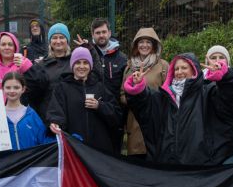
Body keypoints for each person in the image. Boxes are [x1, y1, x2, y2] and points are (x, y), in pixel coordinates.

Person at [123, 53, 233, 165]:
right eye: (176, 69)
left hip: (202, 166)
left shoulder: (207, 92)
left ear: (194, 70)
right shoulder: (163, 96)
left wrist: (226, 77)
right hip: (168, 166)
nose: (179, 72)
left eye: (184, 68)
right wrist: (137, 87)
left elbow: (230, 100)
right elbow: (143, 108)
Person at [48, 46, 121, 154]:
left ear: (90, 66)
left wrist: (99, 106)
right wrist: (55, 123)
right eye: (77, 62)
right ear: (72, 65)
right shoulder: (62, 88)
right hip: (74, 147)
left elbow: (116, 115)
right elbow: (56, 112)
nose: (81, 66)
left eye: (85, 63)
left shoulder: (100, 87)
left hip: (100, 149)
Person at [119, 28, 168, 159]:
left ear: (154, 45)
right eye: (141, 42)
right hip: (135, 122)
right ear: (136, 45)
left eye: (148, 42)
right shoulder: (129, 67)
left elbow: (169, 93)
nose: (144, 45)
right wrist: (135, 99)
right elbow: (122, 95)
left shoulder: (163, 66)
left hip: (157, 121)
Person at [90, 18, 127, 154]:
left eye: (104, 32)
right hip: (93, 112)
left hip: (115, 115)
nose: (101, 35)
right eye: (98, 32)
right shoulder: (88, 55)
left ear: (109, 33)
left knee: (114, 154)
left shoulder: (122, 59)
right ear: (93, 35)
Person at [23, 22, 73, 120]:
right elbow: (33, 95)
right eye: (54, 38)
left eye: (62, 37)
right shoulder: (41, 65)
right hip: (48, 119)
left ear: (67, 40)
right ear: (50, 41)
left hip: (72, 116)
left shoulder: (76, 63)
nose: (58, 41)